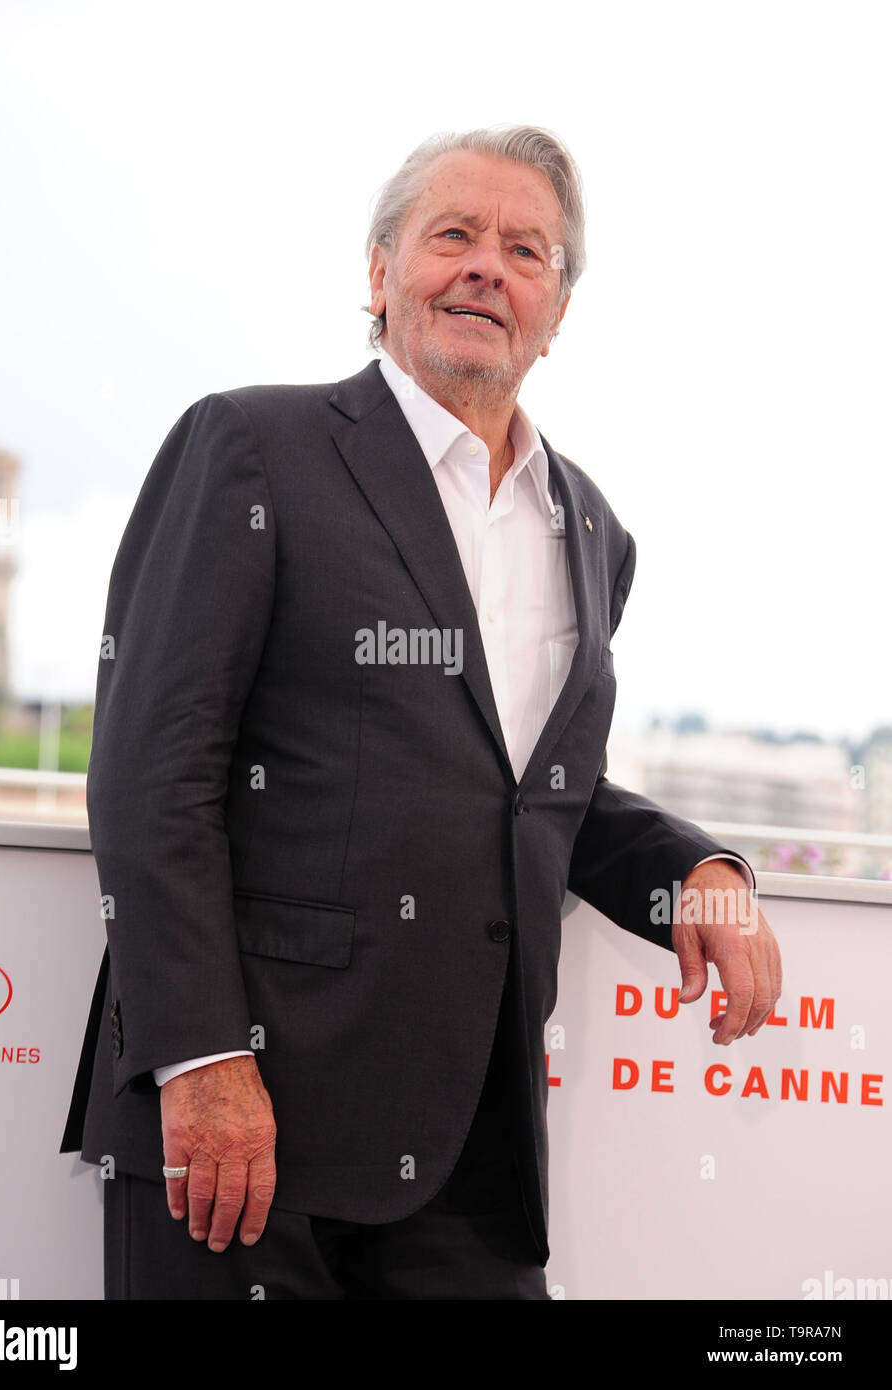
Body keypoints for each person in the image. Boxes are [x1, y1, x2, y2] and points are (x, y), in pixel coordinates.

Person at [62, 125, 782, 1300]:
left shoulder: (596, 532)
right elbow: (153, 773)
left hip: (473, 1155)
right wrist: (200, 1059)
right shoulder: (252, 447)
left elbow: (531, 793)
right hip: (249, 1136)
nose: (487, 266)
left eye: (526, 249)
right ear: (379, 270)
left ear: (557, 308)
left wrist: (693, 865)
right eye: (454, 234)